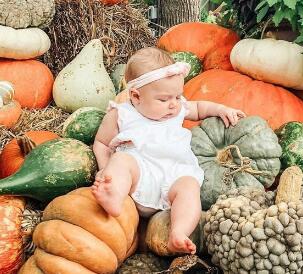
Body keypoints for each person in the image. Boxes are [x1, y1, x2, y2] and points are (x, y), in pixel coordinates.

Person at [91, 47, 245, 254]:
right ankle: (114, 197)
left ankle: (179, 232)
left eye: (178, 96)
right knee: (121, 161)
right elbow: (101, 143)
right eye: (164, 99)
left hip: (174, 175)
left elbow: (199, 108)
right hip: (139, 172)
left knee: (190, 187)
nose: (174, 105)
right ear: (136, 96)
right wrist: (105, 168)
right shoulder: (121, 114)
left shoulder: (177, 108)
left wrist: (222, 110)